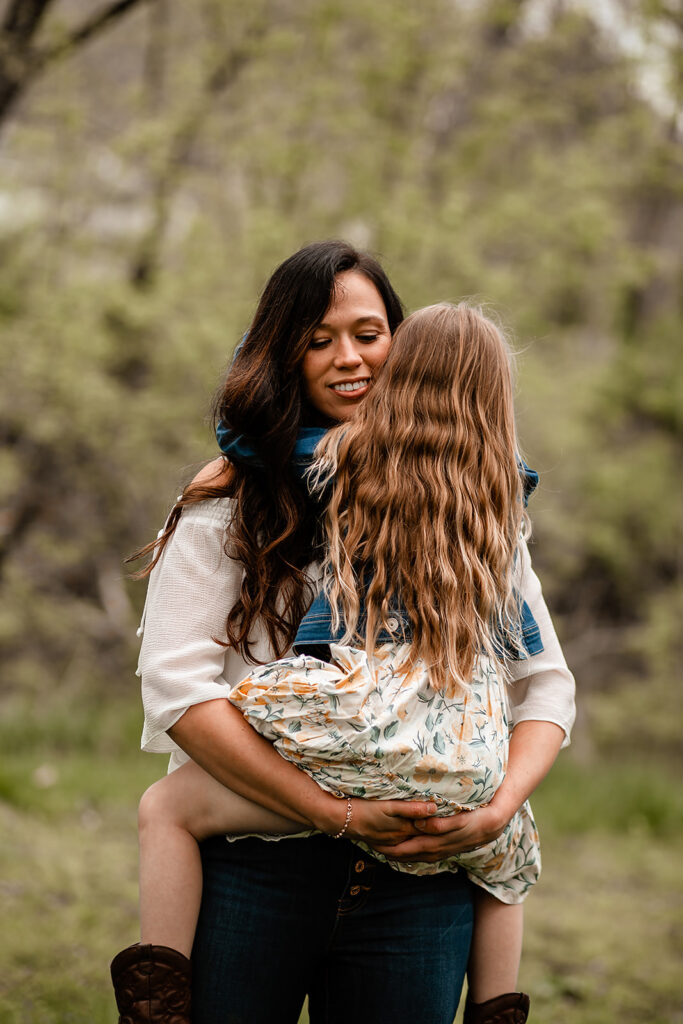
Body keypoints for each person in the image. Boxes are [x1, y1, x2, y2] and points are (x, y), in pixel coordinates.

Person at [112, 242, 575, 1024]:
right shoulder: (231, 497)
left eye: (367, 333)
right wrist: (334, 812)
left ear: (403, 343)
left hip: (417, 885)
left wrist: (495, 812)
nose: (347, 358)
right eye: (317, 339)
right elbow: (176, 683)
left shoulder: (471, 500)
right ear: (280, 355)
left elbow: (543, 682)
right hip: (256, 870)